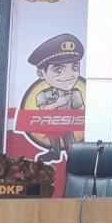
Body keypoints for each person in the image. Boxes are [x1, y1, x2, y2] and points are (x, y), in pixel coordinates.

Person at [26, 33, 85, 162]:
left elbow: (81, 112)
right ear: (41, 74)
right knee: (52, 130)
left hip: (67, 124)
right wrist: (58, 103)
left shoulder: (75, 93)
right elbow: (43, 112)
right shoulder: (42, 95)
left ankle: (72, 152)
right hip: (52, 124)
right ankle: (55, 151)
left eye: (75, 67)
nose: (70, 75)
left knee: (70, 142)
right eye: (59, 70)